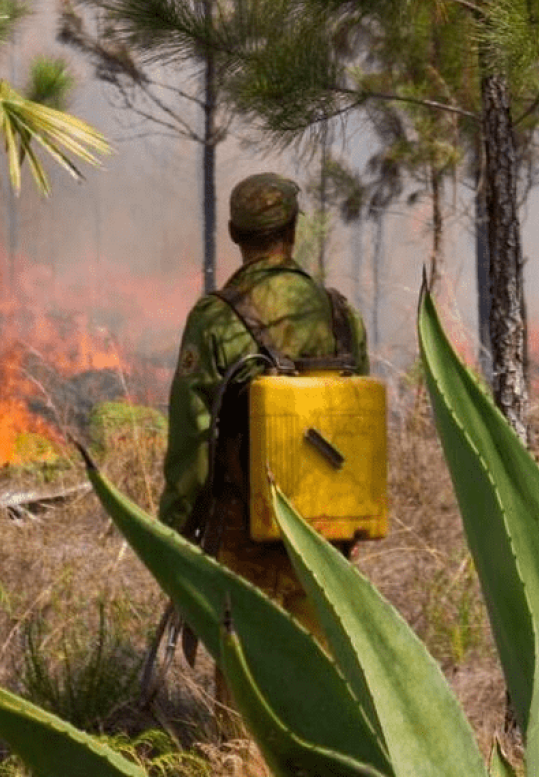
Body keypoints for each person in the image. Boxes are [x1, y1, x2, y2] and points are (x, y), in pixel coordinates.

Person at [157, 172, 369, 708]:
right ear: (294, 229)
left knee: (247, 698)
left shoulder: (214, 318)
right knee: (324, 690)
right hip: (328, 536)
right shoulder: (341, 315)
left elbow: (191, 440)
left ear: (234, 232)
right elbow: (356, 426)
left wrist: (172, 536)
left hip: (244, 533)